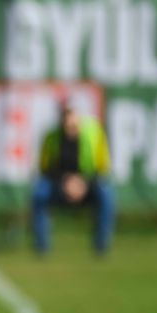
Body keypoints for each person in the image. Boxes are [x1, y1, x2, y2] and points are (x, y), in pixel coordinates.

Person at [31, 101, 114, 255]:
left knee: (105, 193)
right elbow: (44, 168)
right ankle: (41, 247)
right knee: (39, 193)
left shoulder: (93, 133)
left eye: (71, 115)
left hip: (88, 185)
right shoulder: (51, 136)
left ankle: (101, 246)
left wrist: (83, 183)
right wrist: (66, 181)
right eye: (65, 115)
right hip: (59, 185)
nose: (69, 121)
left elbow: (103, 167)